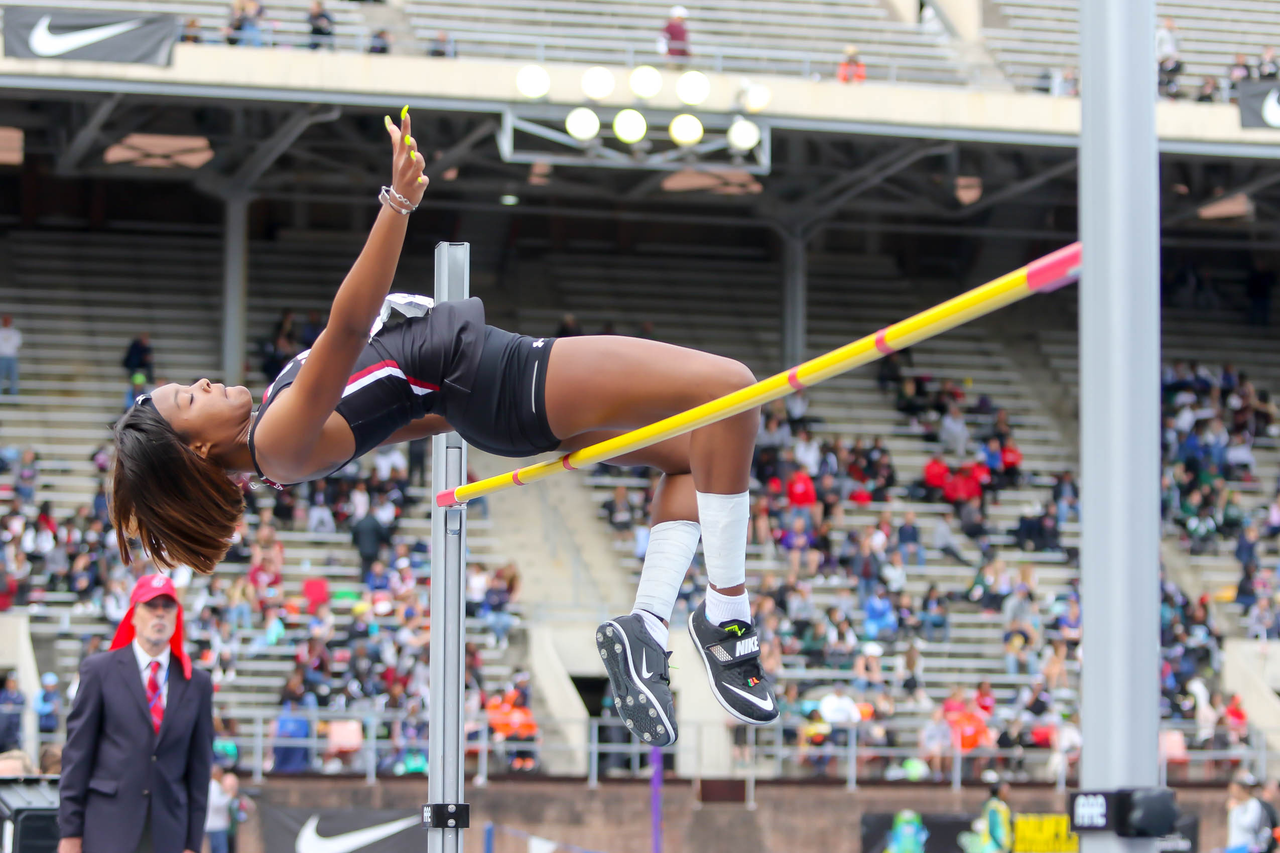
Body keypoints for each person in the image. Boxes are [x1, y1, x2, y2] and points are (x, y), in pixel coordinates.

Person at [110, 110, 773, 749]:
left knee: (697, 456)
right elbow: (346, 327)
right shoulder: (277, 442)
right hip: (504, 378)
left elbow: (408, 409)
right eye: (188, 399)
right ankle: (725, 613)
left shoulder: (279, 433)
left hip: (493, 396)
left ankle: (649, 625)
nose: (203, 384)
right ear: (196, 446)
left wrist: (508, 423)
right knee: (732, 388)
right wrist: (396, 204)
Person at [58, 574, 214, 853]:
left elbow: (199, 769)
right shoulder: (99, 671)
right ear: (132, 614)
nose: (160, 614)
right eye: (151, 606)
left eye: (167, 606)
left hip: (169, 832)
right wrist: (70, 832)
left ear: (177, 615)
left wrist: (193, 841)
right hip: (108, 827)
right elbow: (77, 755)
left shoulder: (197, 683)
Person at [982, 781, 1013, 853]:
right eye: (1006, 790)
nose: (1008, 793)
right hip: (993, 848)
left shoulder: (1001, 805)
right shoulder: (994, 805)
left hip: (1001, 847)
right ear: (999, 791)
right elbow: (992, 829)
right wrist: (1000, 846)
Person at [0, 673, 23, 752]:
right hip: (3, 725)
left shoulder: (19, 695)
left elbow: (21, 703)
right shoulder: (3, 694)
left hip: (15, 724)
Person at [0, 315, 20, 396]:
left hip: (12, 356)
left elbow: (17, 344)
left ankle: (14, 397)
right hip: (2, 357)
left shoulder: (15, 332)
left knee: (13, 378)